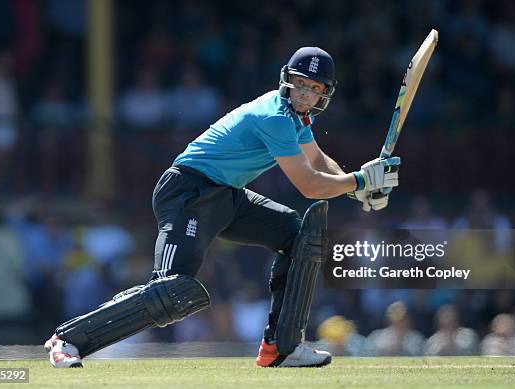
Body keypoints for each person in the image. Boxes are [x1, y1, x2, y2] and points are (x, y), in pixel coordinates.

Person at [44, 47, 401, 368]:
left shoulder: (298, 119)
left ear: (325, 93)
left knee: (299, 236)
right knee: (172, 291)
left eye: (314, 88)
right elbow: (309, 185)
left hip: (225, 195)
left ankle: (282, 347)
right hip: (189, 192)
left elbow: (319, 162)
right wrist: (359, 181)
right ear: (287, 81)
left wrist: (358, 190)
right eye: (300, 84)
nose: (306, 94)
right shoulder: (275, 116)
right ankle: (71, 340)